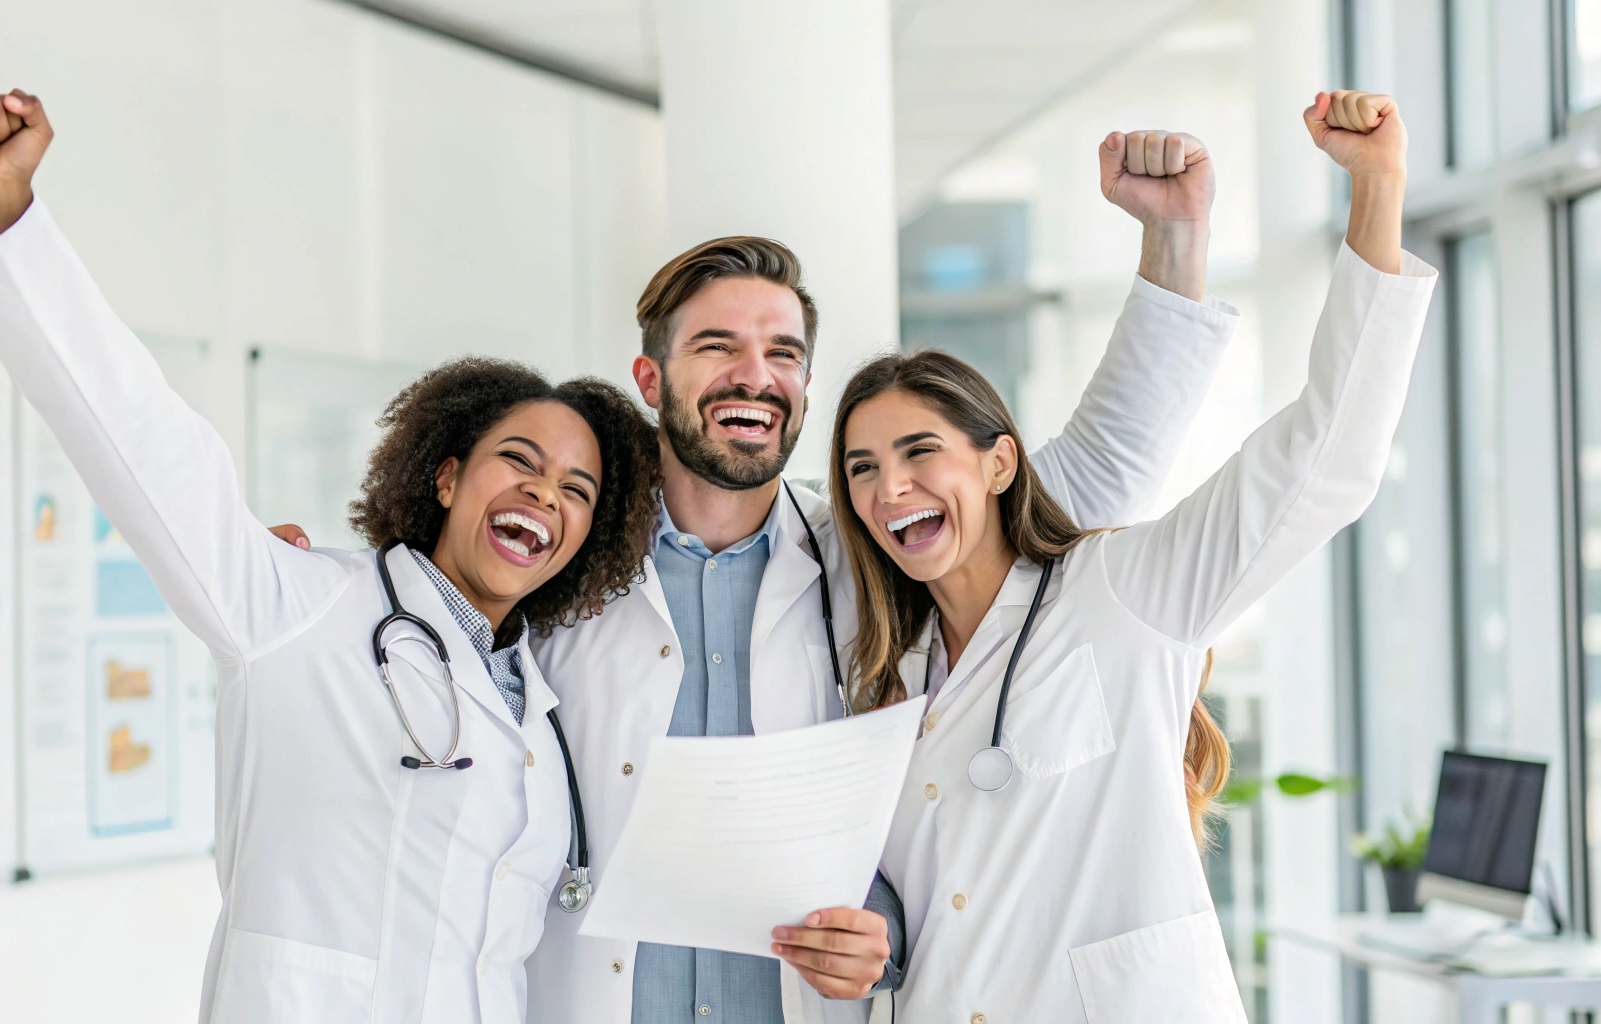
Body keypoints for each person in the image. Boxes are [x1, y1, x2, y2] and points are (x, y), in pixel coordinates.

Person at [269, 121, 1241, 1022]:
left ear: (806, 386)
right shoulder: (565, 565)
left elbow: (1091, 471)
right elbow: (440, 596)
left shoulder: (871, 565)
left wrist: (1172, 241)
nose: (754, 374)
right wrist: (322, 583)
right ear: (651, 381)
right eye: (716, 347)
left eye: (782, 353)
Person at [0, 90, 662, 1024]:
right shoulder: (299, 607)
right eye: (517, 461)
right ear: (446, 478)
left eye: (576, 489)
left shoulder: (537, 706)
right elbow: (144, 445)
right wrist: (18, 216)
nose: (543, 495)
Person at [829, 91, 1434, 1022]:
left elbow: (1325, 462)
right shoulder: (888, 674)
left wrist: (1376, 189)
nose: (889, 490)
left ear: (999, 462)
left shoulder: (1119, 593)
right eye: (863, 469)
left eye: (920, 453)